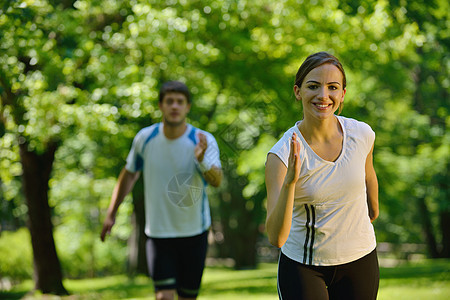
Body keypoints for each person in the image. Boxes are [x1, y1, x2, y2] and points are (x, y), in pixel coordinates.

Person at [265, 52, 379, 300]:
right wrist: (290, 182)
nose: (323, 95)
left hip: (360, 258)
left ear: (343, 94)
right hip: (304, 265)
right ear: (298, 91)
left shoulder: (362, 134)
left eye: (332, 87)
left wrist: (373, 209)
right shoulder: (281, 155)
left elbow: (368, 174)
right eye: (313, 86)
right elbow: (276, 237)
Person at [101, 80, 222, 300]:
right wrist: (111, 212)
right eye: (169, 101)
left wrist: (202, 160)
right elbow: (129, 174)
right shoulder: (145, 139)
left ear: (188, 107)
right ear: (160, 105)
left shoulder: (202, 140)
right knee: (163, 297)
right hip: (158, 234)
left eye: (180, 102)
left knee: (187, 297)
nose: (174, 106)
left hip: (194, 233)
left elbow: (216, 180)